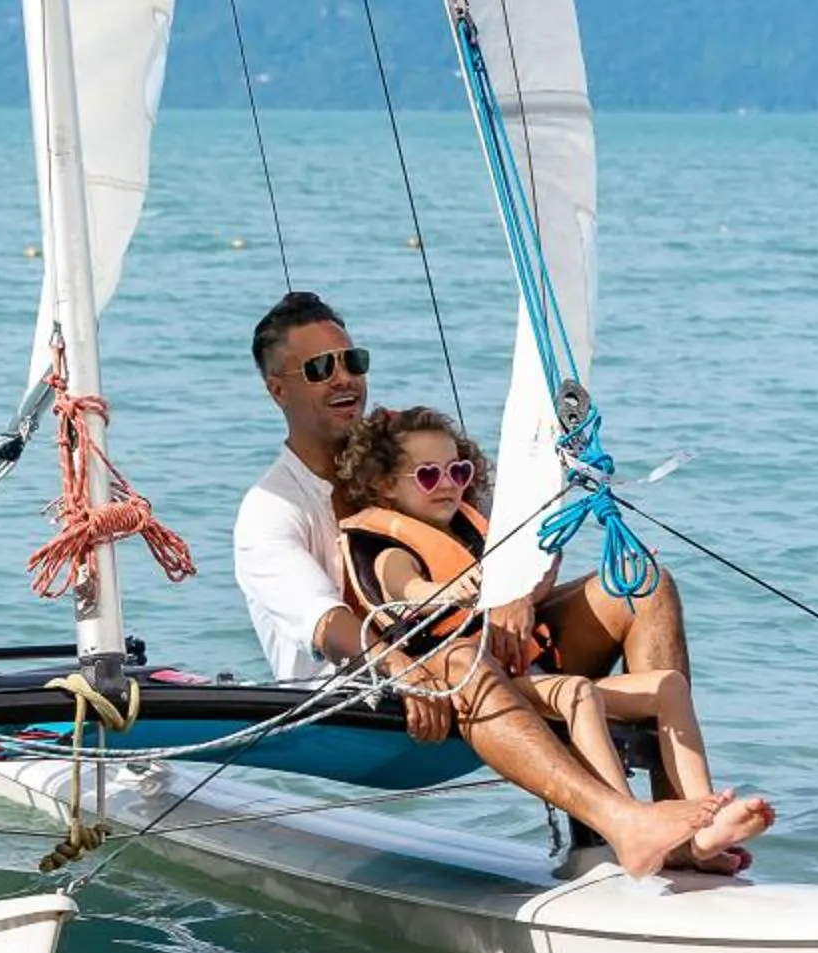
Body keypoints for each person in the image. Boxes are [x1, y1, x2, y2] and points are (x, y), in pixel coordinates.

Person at [232, 290, 763, 878]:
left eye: (351, 361)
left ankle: (684, 828)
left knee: (644, 586)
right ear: (277, 389)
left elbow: (503, 555)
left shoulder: (410, 462)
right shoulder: (271, 510)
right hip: (368, 704)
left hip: (477, 652)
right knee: (459, 659)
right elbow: (329, 627)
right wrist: (408, 669)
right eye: (318, 368)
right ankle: (620, 823)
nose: (344, 380)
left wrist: (518, 593)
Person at [330, 406, 747, 872]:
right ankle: (628, 823)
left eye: (458, 470)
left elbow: (541, 557)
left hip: (529, 670)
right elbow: (406, 590)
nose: (448, 483)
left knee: (668, 682)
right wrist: (464, 591)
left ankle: (698, 830)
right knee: (574, 690)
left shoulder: (467, 523)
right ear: (386, 486)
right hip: (473, 679)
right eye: (428, 475)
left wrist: (525, 582)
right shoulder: (387, 547)